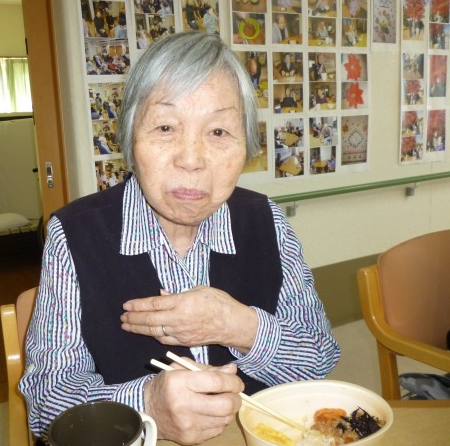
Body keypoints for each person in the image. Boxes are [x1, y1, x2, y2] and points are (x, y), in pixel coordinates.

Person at [19, 31, 340, 446]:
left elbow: (319, 361)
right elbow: (47, 404)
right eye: (166, 127)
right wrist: (147, 405)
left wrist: (238, 325)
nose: (191, 160)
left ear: (246, 145)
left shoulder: (267, 220)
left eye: (218, 132)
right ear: (130, 139)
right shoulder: (74, 233)